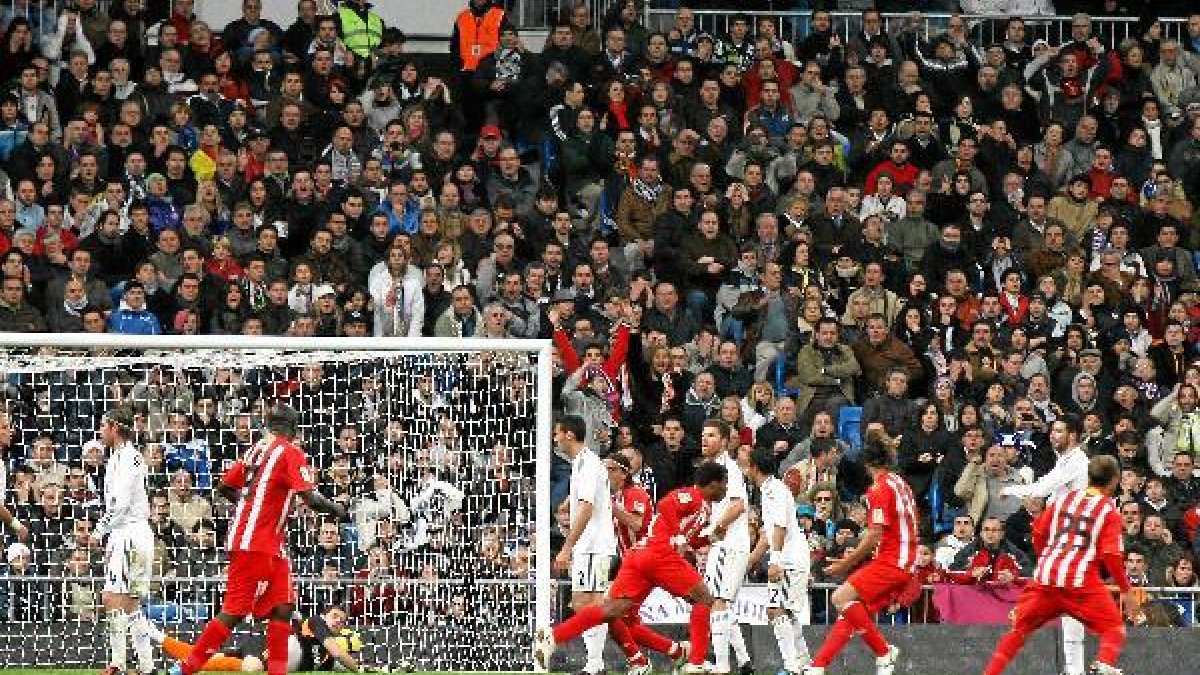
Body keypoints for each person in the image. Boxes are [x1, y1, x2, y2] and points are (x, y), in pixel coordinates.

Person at [167, 403, 348, 675]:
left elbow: (225, 486)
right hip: (252, 543)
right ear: (294, 429)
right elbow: (309, 497)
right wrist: (338, 510)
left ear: (268, 426)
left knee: (284, 607)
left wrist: (251, 504)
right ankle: (184, 669)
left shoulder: (256, 450)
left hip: (271, 545)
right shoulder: (290, 452)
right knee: (234, 612)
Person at [534, 461, 731, 674]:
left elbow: (687, 539)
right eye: (725, 484)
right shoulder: (692, 495)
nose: (726, 489)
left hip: (638, 556)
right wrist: (678, 535)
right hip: (659, 554)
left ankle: (554, 637)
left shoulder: (704, 509)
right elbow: (666, 505)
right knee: (705, 599)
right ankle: (696, 662)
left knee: (613, 611)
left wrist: (708, 538)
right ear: (713, 483)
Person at [982, 455, 1138, 675]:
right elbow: (1111, 555)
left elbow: (1037, 532)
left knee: (1018, 631)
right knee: (1114, 629)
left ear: (1088, 477)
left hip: (1046, 578)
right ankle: (1104, 665)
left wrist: (1046, 558)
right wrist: (1126, 590)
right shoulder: (1108, 510)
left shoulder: (1064, 500)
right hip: (1081, 582)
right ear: (1115, 480)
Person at [804, 441, 909, 675]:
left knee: (840, 597)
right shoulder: (900, 482)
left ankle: (883, 652)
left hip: (892, 560)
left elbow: (874, 534)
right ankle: (818, 666)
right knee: (854, 612)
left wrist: (846, 562)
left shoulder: (878, 489)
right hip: (904, 558)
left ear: (865, 465)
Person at [999, 416, 1090, 675]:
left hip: (1071, 539)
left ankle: (1026, 614)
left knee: (1067, 597)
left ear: (1073, 434)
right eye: (1052, 431)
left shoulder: (1077, 461)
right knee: (1069, 601)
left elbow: (1042, 489)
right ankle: (1074, 668)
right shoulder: (1064, 461)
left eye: (1059, 431)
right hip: (1062, 538)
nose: (1053, 435)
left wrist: (1012, 490)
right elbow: (1048, 488)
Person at [92, 404, 157, 675]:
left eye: (103, 426)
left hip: (130, 533)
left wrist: (99, 531)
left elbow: (120, 504)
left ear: (115, 428)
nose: (100, 432)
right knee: (130, 605)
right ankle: (146, 667)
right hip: (128, 533)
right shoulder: (121, 456)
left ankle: (118, 664)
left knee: (111, 598)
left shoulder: (128, 458)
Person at [552, 415, 616, 675]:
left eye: (557, 433)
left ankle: (595, 665)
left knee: (588, 602)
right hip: (589, 546)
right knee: (585, 603)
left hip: (595, 545)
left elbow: (588, 508)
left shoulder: (589, 463)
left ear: (569, 434)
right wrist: (570, 500)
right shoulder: (580, 463)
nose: (555, 438)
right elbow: (585, 499)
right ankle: (597, 664)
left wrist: (566, 548)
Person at [745, 446, 811, 673]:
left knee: (776, 611)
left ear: (754, 467)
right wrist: (751, 560)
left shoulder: (775, 491)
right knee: (786, 612)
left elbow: (780, 528)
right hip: (789, 558)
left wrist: (775, 560)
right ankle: (803, 662)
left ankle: (792, 667)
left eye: (747, 465)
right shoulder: (768, 490)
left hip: (790, 560)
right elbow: (768, 532)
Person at [157, 605, 378, 672]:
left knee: (214, 659)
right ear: (324, 616)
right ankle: (159, 638)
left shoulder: (326, 657)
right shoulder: (316, 623)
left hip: (272, 653)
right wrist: (357, 669)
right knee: (252, 667)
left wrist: (372, 668)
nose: (339, 621)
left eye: (342, 620)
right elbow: (339, 653)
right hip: (270, 645)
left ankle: (164, 644)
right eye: (335, 616)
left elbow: (337, 660)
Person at [699, 420, 754, 675]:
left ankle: (721, 665)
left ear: (724, 441)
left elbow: (738, 505)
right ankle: (744, 662)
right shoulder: (717, 468)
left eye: (711, 436)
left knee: (717, 602)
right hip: (730, 545)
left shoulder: (727, 469)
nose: (705, 440)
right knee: (723, 603)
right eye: (703, 435)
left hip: (728, 544)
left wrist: (714, 529)